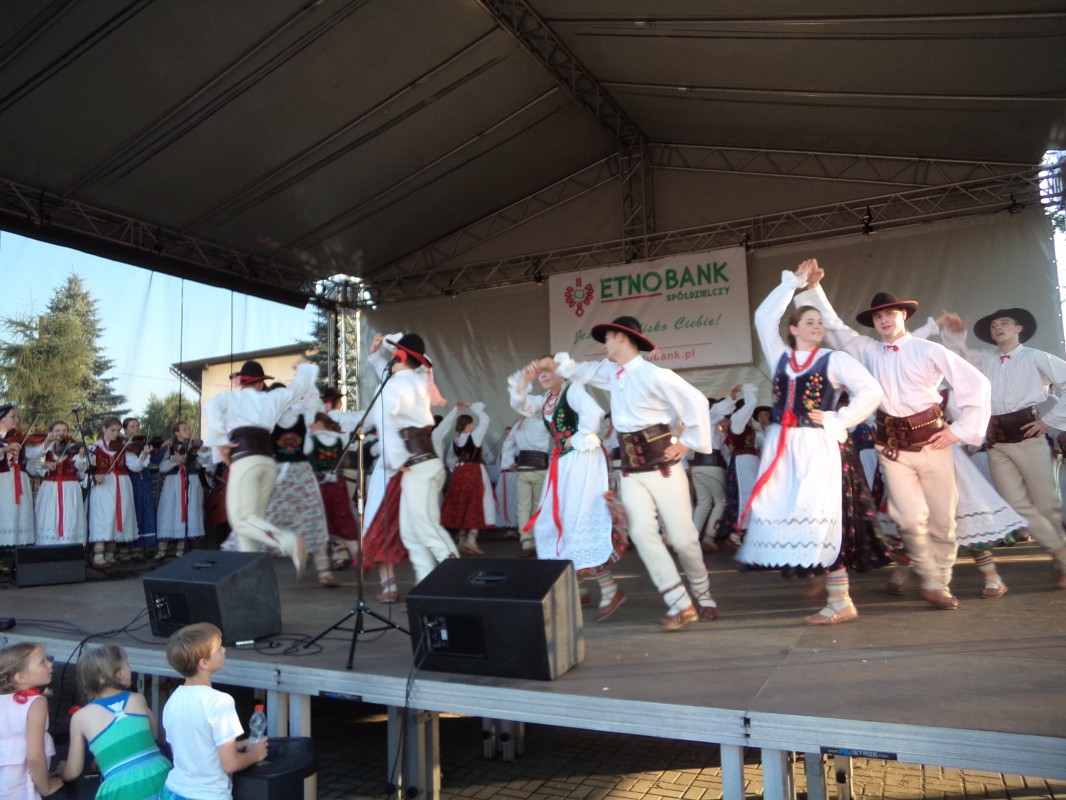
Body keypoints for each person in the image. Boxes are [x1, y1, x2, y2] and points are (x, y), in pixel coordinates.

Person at [795, 261, 991, 610]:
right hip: (892, 448)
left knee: (943, 520)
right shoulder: (867, 350)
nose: (884, 320)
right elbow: (836, 327)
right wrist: (812, 289)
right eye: (878, 317)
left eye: (890, 313)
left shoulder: (928, 349)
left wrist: (959, 431)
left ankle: (939, 580)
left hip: (933, 443)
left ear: (903, 315)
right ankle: (931, 580)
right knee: (909, 519)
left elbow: (976, 384)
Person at [538, 315, 719, 630]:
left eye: (607, 339)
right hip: (631, 470)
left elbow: (697, 401)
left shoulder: (655, 375)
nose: (604, 346)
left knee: (683, 538)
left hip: (663, 466)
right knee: (641, 533)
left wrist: (687, 442)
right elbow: (580, 370)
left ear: (622, 337)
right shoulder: (612, 372)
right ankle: (679, 603)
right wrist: (552, 364)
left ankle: (703, 594)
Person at [734, 261, 885, 624]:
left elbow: (871, 391)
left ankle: (840, 600)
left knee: (824, 517)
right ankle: (828, 588)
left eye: (820, 322)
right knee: (794, 514)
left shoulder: (834, 359)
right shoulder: (781, 356)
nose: (817, 326)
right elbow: (763, 317)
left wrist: (838, 418)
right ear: (793, 329)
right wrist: (794, 284)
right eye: (809, 321)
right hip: (784, 447)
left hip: (819, 446)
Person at [936, 306, 1066, 589]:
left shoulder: (1036, 357)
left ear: (1018, 329)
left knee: (1046, 502)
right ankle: (1060, 552)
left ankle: (1060, 555)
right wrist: (955, 336)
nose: (998, 327)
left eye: (1004, 323)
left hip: (1027, 435)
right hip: (997, 440)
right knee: (1015, 504)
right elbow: (959, 359)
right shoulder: (986, 359)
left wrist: (1048, 421)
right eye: (994, 325)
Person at [512, 360, 626, 621]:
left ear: (561, 372)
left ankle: (609, 589)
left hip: (584, 458)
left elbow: (593, 414)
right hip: (564, 462)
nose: (543, 376)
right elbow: (520, 404)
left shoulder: (572, 390)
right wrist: (524, 379)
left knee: (578, 518)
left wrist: (577, 438)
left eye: (548, 371)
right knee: (554, 520)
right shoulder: (546, 400)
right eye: (540, 373)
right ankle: (579, 586)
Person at [203, 360, 317, 578]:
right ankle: (249, 577)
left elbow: (211, 407)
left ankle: (289, 542)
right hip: (267, 464)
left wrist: (220, 442)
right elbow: (299, 389)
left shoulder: (230, 398)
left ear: (241, 383)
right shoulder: (272, 398)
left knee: (241, 520)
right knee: (252, 524)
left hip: (245, 461)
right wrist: (303, 370)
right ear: (260, 384)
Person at [364, 333, 459, 584]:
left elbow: (385, 420)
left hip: (418, 464)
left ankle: (457, 579)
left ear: (399, 356)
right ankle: (427, 587)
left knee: (425, 530)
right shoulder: (413, 380)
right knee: (412, 534)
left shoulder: (399, 384)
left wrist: (396, 459)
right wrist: (380, 354)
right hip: (421, 464)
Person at [161, 623, 266, 800]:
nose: (224, 650)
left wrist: (237, 746)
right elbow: (230, 764)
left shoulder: (173, 701)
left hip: (172, 791)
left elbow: (191, 749)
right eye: (218, 648)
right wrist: (256, 754)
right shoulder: (220, 702)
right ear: (204, 662)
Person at [60, 645, 171, 799]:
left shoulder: (80, 717)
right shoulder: (137, 699)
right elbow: (151, 727)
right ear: (120, 673)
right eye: (127, 664)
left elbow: (73, 772)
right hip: (160, 776)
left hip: (121, 789)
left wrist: (63, 770)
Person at [263, 389, 337, 588]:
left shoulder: (270, 421)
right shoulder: (302, 417)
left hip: (281, 475)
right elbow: (314, 398)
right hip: (302, 473)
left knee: (272, 519)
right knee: (312, 519)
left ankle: (292, 552)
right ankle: (324, 572)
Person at [0, 642, 64, 798]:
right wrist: (45, 787)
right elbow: (35, 757)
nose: (50, 664)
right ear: (21, 677)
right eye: (42, 662)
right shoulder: (35, 703)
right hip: (19, 789)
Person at [504, 375, 554, 558]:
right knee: (537, 505)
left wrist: (509, 463)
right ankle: (537, 538)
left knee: (522, 506)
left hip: (523, 470)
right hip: (540, 469)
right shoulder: (543, 424)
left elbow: (507, 444)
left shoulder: (518, 425)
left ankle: (526, 540)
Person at [439, 403, 496, 555]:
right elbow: (486, 420)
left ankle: (462, 537)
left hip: (460, 472)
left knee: (462, 503)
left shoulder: (455, 440)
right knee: (477, 503)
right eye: (472, 424)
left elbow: (450, 460)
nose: (473, 426)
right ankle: (471, 539)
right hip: (474, 471)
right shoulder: (474, 436)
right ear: (469, 425)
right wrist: (475, 408)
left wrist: (457, 469)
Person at [88, 417, 140, 568]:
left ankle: (110, 555)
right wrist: (94, 476)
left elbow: (135, 466)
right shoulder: (95, 447)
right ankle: (98, 556)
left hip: (122, 484)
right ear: (104, 429)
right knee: (103, 516)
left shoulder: (123, 447)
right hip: (104, 486)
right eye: (112, 430)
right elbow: (84, 468)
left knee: (118, 516)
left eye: (118, 431)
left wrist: (143, 455)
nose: (116, 434)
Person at [27, 421, 88, 546]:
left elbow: (82, 469)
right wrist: (45, 463)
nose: (61, 433)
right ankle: (47, 547)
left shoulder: (74, 448)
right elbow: (31, 458)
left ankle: (71, 547)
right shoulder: (46, 448)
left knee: (70, 517)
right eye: (58, 430)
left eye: (64, 430)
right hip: (50, 488)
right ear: (51, 432)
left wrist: (82, 456)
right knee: (49, 516)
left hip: (70, 488)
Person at [156, 422, 210, 560]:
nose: (187, 431)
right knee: (169, 512)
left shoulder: (194, 446)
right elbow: (162, 467)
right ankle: (161, 551)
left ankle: (180, 550)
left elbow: (204, 460)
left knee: (188, 513)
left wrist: (203, 451)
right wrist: (174, 461)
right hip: (173, 483)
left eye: (187, 429)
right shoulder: (170, 447)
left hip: (191, 481)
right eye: (184, 429)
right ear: (176, 433)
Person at [690, 396, 734, 552]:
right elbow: (717, 411)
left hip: (697, 465)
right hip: (712, 465)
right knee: (721, 502)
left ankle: (692, 540)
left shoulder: (696, 424)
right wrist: (731, 399)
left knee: (703, 503)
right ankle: (708, 538)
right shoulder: (708, 419)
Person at [0, 405, 36, 550]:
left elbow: (32, 454)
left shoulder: (20, 438)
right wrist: (5, 448)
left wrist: (46, 442)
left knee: (19, 513)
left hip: (20, 481)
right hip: (3, 481)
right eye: (12, 416)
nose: (17, 419)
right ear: (2, 419)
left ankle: (16, 551)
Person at [123, 418, 158, 560]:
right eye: (132, 426)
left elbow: (148, 463)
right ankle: (126, 550)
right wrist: (143, 455)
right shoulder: (125, 447)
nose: (136, 428)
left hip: (144, 482)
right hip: (132, 482)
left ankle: (139, 548)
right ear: (125, 430)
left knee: (145, 512)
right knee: (133, 514)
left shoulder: (142, 445)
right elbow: (135, 467)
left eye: (137, 426)